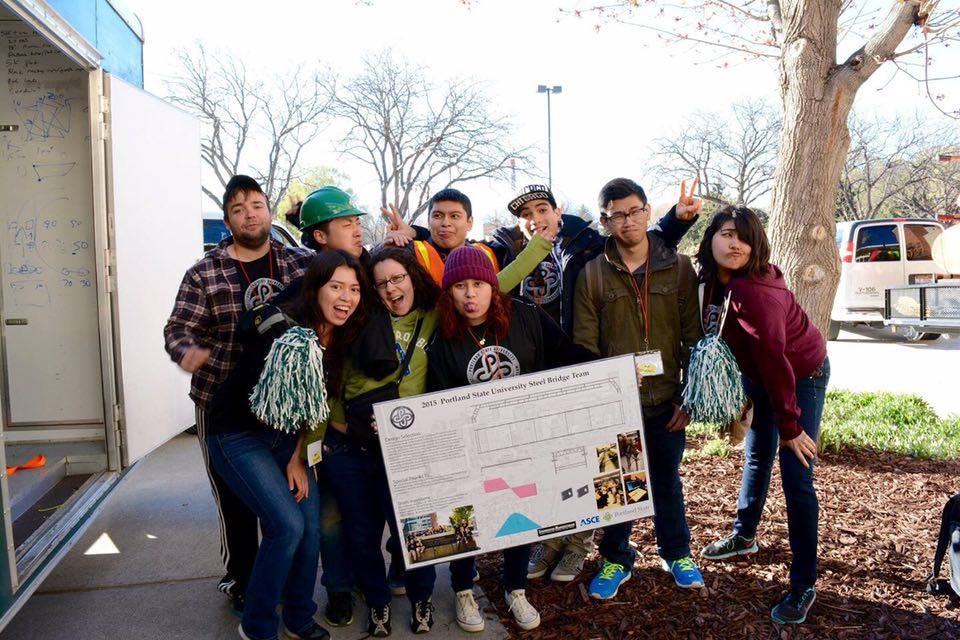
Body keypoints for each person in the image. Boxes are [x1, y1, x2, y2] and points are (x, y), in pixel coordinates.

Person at [320, 233, 551, 637]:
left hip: (411, 447)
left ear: (414, 277)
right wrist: (339, 426)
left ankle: (421, 599)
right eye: (381, 283)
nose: (392, 289)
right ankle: (377, 604)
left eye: (398, 278)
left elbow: (493, 281)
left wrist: (539, 246)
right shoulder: (359, 321)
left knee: (421, 531)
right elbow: (335, 376)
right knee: (361, 532)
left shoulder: (433, 316)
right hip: (355, 444)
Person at [164, 175, 314, 614]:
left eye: (256, 204)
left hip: (286, 403)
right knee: (234, 498)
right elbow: (178, 328)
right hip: (222, 404)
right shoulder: (204, 273)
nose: (249, 213)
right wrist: (186, 350)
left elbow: (348, 275)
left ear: (269, 210)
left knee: (286, 497)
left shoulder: (299, 265)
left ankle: (278, 575)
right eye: (238, 209)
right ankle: (243, 578)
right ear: (228, 220)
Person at [427, 245, 595, 632]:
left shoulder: (526, 317)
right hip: (473, 445)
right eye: (460, 286)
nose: (470, 294)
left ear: (493, 286)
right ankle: (462, 589)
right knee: (465, 515)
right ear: (449, 292)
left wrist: (613, 372)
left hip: (525, 438)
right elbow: (436, 398)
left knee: (521, 512)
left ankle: (515, 587)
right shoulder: (442, 337)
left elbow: (567, 354)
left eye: (478, 284)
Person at [206, 249, 368, 640]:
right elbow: (296, 402)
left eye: (354, 289)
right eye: (335, 287)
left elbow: (319, 406)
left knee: (310, 528)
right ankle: (257, 626)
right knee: (287, 525)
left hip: (287, 439)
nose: (346, 297)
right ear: (315, 290)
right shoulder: (290, 337)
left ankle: (298, 617)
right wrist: (295, 457)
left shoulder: (343, 335)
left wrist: (300, 457)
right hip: (238, 434)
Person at [696, 206, 829, 626]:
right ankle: (745, 535)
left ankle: (804, 582)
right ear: (711, 238)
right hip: (762, 373)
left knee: (796, 472)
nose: (734, 243)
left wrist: (791, 426)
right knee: (756, 455)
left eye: (744, 237)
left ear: (756, 246)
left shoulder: (754, 292)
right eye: (726, 233)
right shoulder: (713, 282)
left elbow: (775, 359)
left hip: (799, 374)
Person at [573, 177, 705, 600]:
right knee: (618, 483)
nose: (627, 221)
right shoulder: (592, 273)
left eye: (634, 211)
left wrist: (691, 396)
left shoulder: (678, 267)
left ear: (648, 211)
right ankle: (615, 557)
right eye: (617, 215)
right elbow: (585, 343)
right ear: (605, 221)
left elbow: (692, 336)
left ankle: (677, 552)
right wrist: (606, 382)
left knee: (665, 481)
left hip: (667, 400)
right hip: (616, 404)